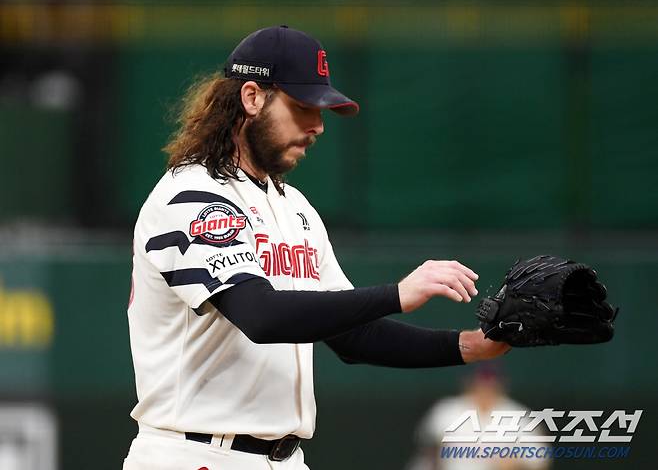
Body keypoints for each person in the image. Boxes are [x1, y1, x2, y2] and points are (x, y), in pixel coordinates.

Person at [122, 25, 511, 470]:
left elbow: (351, 335)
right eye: (303, 106)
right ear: (252, 97)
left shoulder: (296, 208)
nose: (317, 126)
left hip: (285, 459)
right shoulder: (191, 196)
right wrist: (397, 295)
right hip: (194, 454)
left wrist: (468, 346)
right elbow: (260, 316)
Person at [407, 364, 549, 470]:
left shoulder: (517, 414)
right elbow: (426, 448)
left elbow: (541, 459)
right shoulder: (447, 409)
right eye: (481, 384)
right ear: (471, 384)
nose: (485, 389)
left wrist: (516, 461)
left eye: (490, 385)